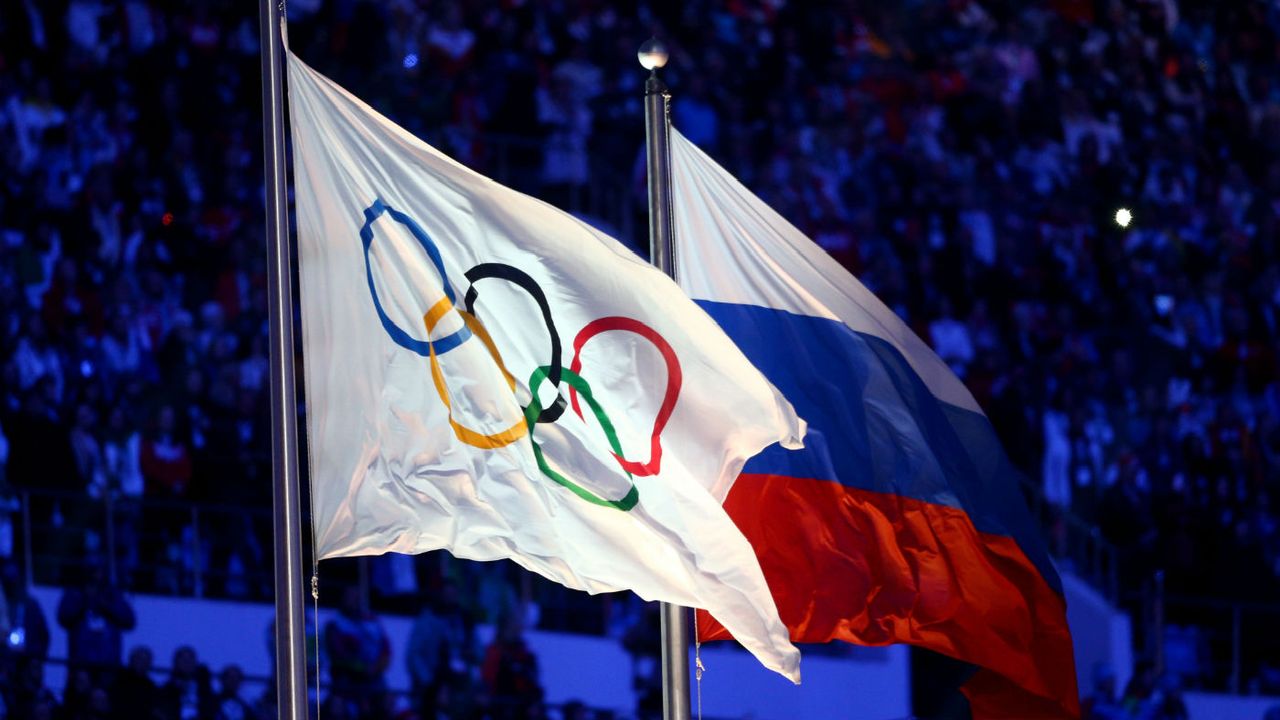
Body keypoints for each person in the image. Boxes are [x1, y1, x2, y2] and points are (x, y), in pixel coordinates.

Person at [406, 580, 475, 719]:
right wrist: (430, 683)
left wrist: (471, 654)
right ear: (440, 595)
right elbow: (414, 655)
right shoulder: (427, 619)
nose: (450, 598)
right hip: (432, 687)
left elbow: (477, 650)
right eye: (447, 594)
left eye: (453, 594)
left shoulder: (463, 619)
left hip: (459, 685)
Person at [56, 563, 135, 680]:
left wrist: (106, 605)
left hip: (108, 665)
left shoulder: (114, 595)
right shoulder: (74, 593)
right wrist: (83, 603)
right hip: (81, 663)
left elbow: (129, 621)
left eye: (98, 570)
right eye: (92, 571)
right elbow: (64, 618)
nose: (95, 575)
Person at [323, 585, 390, 716]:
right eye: (351, 597)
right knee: (340, 704)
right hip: (346, 676)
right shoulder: (335, 623)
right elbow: (337, 654)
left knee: (387, 700)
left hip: (373, 675)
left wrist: (376, 668)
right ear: (343, 599)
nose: (355, 600)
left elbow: (386, 650)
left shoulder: (373, 621)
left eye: (357, 597)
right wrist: (362, 668)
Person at [481, 611, 542, 720]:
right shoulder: (493, 652)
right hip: (498, 704)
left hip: (522, 704)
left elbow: (533, 680)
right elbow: (487, 678)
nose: (516, 630)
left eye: (517, 627)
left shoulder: (526, 655)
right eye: (512, 627)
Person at [158, 645, 215, 720]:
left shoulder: (205, 689)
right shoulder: (166, 690)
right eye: (183, 660)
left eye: (190, 660)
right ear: (176, 663)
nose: (187, 663)